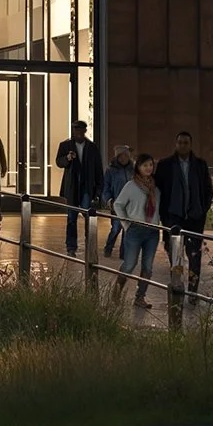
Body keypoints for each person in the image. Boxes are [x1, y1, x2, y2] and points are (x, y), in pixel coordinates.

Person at [156, 132, 213, 294]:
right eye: (180, 143)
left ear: (191, 144)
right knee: (174, 255)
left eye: (186, 143)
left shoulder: (200, 165)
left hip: (195, 218)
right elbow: (158, 190)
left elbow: (208, 189)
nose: (183, 146)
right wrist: (163, 216)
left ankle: (193, 292)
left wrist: (203, 209)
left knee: (194, 256)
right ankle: (176, 288)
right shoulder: (165, 165)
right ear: (176, 144)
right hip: (173, 217)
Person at [112, 153, 162, 307]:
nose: (148, 168)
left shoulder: (156, 187)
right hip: (135, 230)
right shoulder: (131, 186)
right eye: (145, 165)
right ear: (138, 167)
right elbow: (118, 205)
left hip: (152, 232)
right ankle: (117, 291)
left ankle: (140, 297)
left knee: (148, 266)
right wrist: (127, 224)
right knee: (129, 264)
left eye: (150, 165)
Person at [53, 120, 104, 255]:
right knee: (71, 217)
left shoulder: (92, 147)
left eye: (80, 130)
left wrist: (98, 189)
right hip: (72, 187)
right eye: (76, 130)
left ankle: (90, 243)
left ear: (85, 131)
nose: (78, 133)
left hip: (87, 186)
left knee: (88, 215)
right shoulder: (65, 145)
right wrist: (68, 158)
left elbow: (98, 169)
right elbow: (59, 162)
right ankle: (71, 247)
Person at [101, 145, 135, 257]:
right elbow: (106, 187)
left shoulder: (133, 169)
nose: (124, 158)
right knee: (116, 228)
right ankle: (108, 248)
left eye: (126, 155)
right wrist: (109, 200)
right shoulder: (111, 170)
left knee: (127, 229)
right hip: (117, 203)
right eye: (121, 156)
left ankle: (124, 253)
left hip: (130, 205)